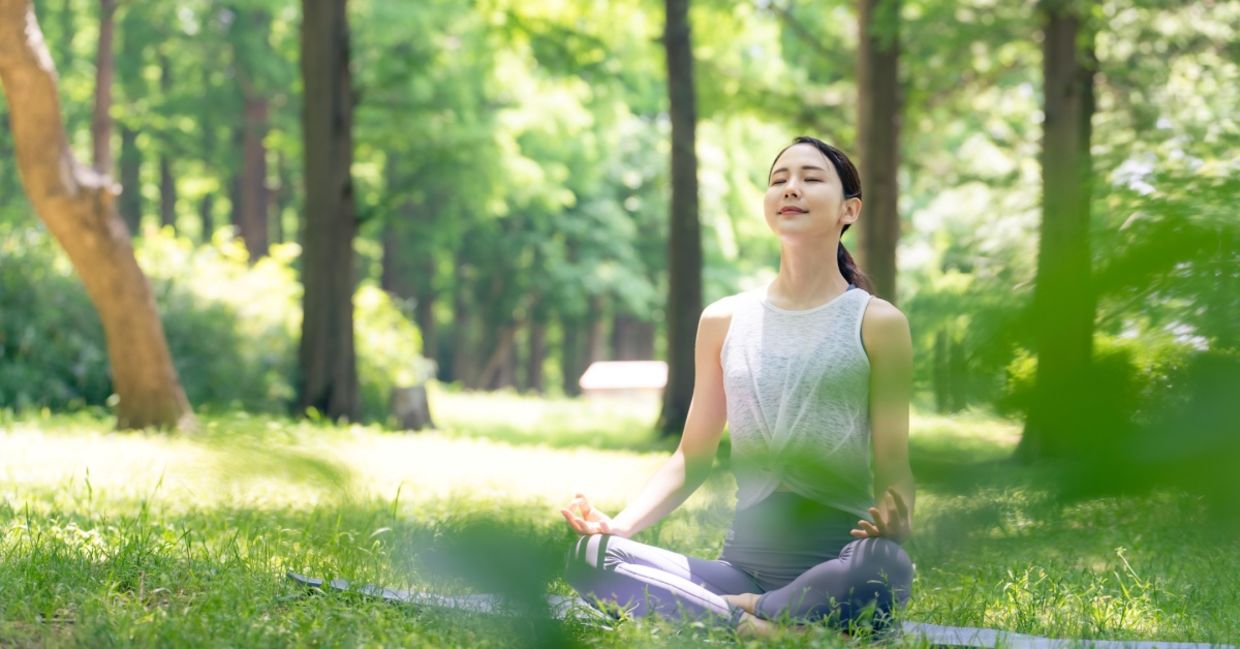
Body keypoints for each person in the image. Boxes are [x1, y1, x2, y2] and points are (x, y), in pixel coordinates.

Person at [559, 136, 916, 636]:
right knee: (593, 555)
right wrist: (619, 526)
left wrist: (897, 520)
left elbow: (895, 465)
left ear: (848, 210)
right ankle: (760, 626)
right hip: (740, 566)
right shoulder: (724, 320)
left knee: (887, 568)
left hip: (837, 562)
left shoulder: (879, 323)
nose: (791, 188)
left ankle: (739, 611)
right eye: (779, 180)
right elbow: (691, 457)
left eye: (811, 179)